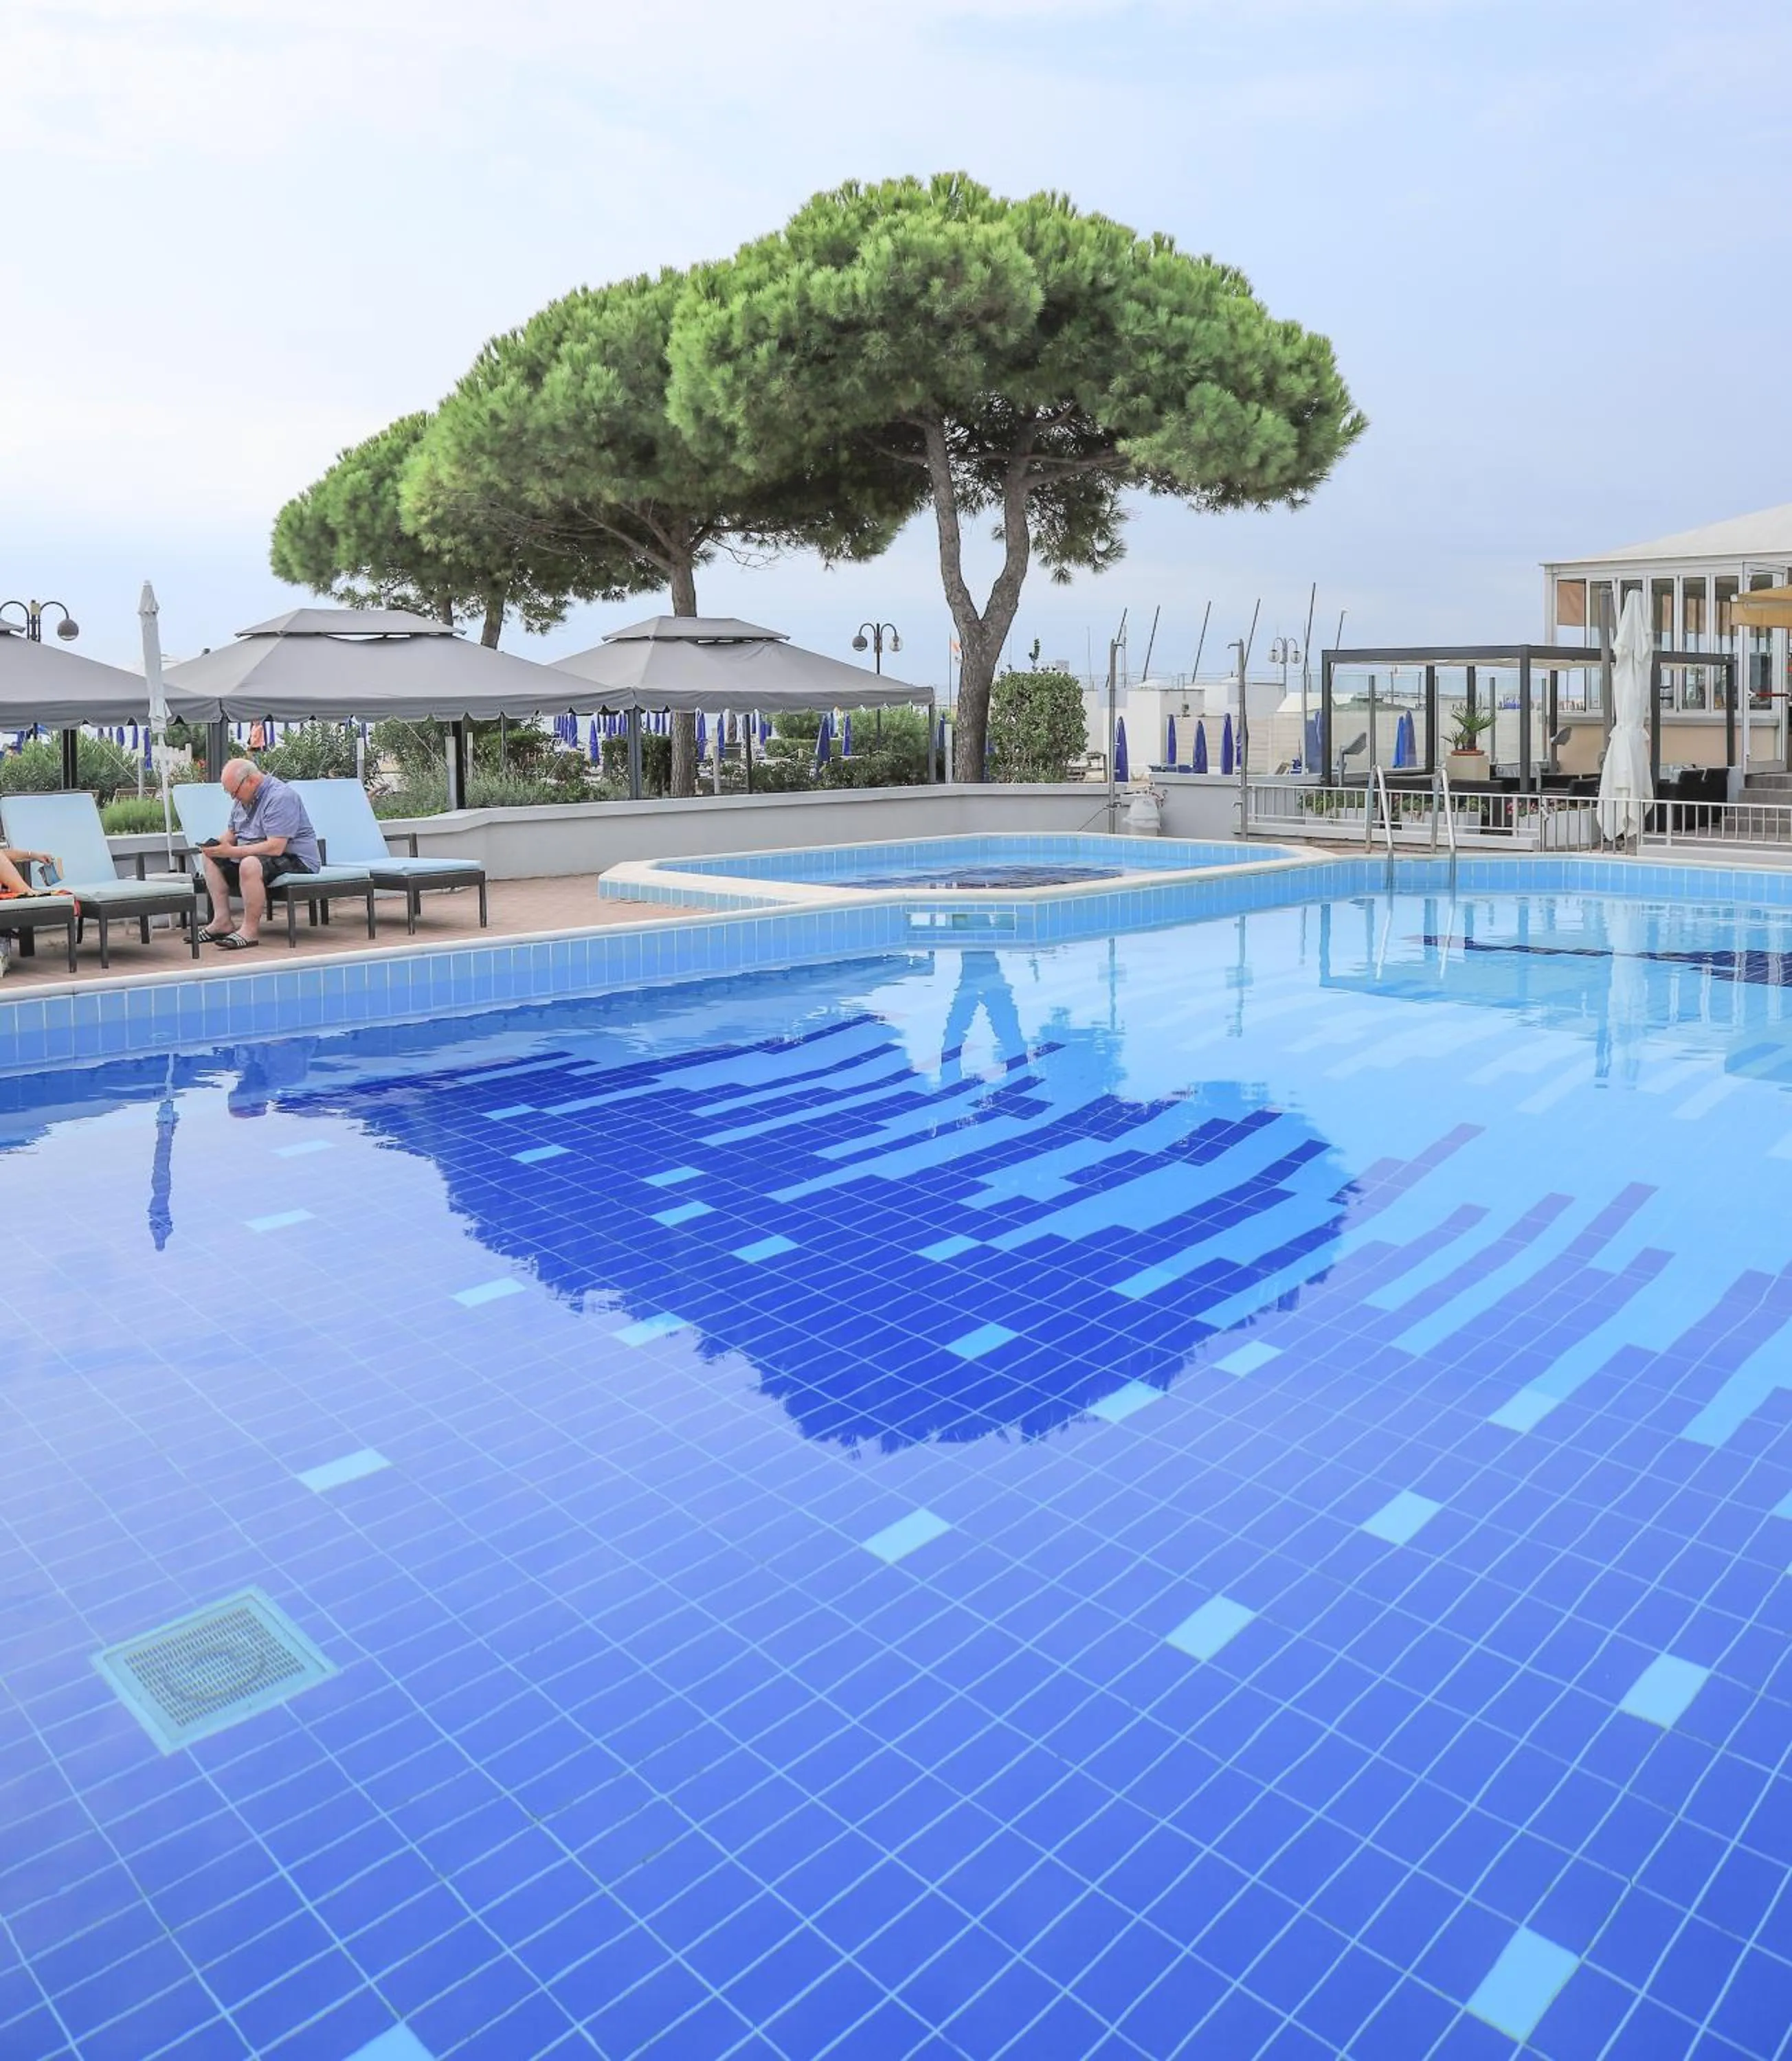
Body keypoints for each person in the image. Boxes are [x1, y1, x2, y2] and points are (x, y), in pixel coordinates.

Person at [197, 758, 320, 950]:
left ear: (251, 781)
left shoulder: (280, 797)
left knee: (250, 864)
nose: (233, 798)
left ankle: (249, 931)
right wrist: (215, 848)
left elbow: (276, 847)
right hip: (259, 857)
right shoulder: (243, 798)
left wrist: (233, 851)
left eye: (234, 792)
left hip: (296, 859)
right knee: (210, 857)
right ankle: (222, 921)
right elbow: (232, 834)